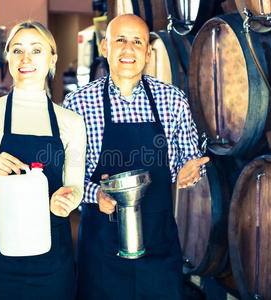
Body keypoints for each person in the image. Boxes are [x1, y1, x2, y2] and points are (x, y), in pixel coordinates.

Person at [63, 14, 208, 300]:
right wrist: (95, 194)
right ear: (105, 47)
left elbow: (188, 161)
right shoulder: (77, 103)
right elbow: (67, 173)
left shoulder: (173, 99)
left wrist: (190, 171)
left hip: (158, 242)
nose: (128, 49)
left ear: (148, 53)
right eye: (120, 40)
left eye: (137, 42)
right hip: (101, 244)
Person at [0, 21, 86, 299]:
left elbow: (75, 187)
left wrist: (66, 200)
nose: (26, 58)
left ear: (53, 58)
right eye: (17, 50)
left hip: (52, 255)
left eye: (36, 50)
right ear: (8, 57)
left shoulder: (71, 122)